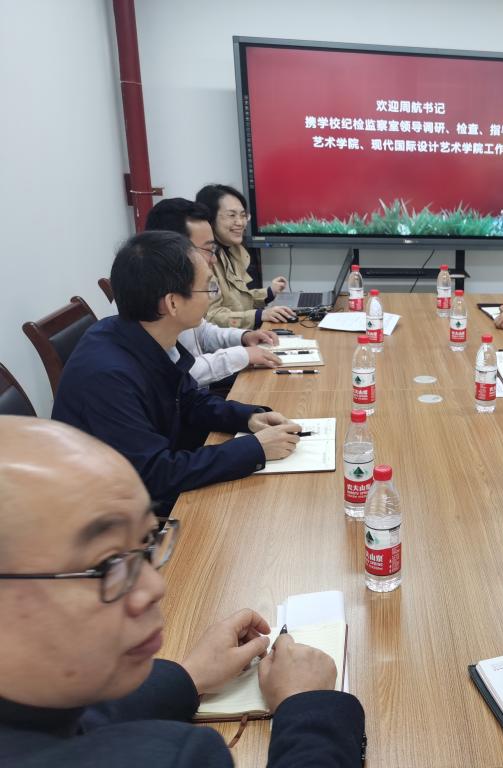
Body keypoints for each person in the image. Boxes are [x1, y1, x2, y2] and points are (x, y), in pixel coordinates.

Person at [0, 416, 365, 767]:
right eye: (108, 563)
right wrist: (309, 709)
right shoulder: (175, 758)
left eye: (147, 541)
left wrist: (190, 676)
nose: (154, 586)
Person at [53, 231, 301, 515]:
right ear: (172, 303)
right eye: (207, 288)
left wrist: (248, 418)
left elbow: (188, 399)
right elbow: (155, 475)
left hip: (152, 475)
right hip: (109, 516)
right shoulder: (108, 376)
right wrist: (254, 449)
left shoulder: (142, 333)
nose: (211, 298)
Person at [145, 198, 282, 387]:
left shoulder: (180, 284)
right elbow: (179, 372)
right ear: (172, 248)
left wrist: (243, 337)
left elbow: (202, 332)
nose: (214, 259)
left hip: (199, 393)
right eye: (209, 249)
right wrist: (241, 355)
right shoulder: (154, 297)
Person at [195, 183, 294, 329]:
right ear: (210, 219)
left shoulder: (232, 250)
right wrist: (259, 315)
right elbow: (211, 316)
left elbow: (238, 299)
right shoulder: (203, 259)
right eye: (232, 215)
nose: (240, 223)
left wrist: (268, 292)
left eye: (243, 215)